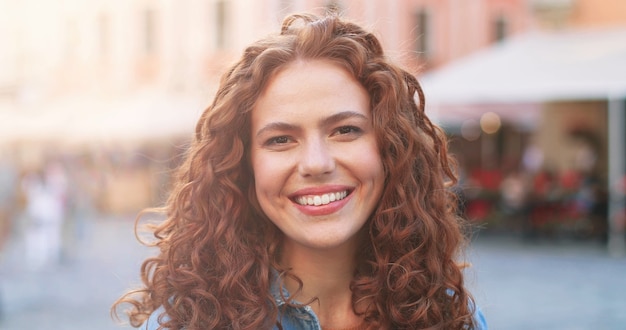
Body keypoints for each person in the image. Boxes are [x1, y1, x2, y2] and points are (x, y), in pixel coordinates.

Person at [113, 13, 487, 329]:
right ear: (244, 166)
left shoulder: (448, 315)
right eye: (280, 139)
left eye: (345, 131)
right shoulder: (188, 322)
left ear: (390, 149)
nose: (317, 163)